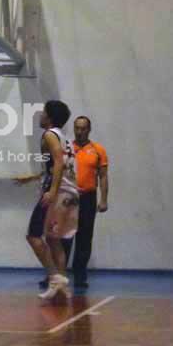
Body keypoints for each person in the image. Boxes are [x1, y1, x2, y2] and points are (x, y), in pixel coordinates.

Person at [15, 100, 79, 301]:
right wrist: (33, 177)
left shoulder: (49, 135)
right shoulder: (64, 137)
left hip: (58, 193)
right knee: (53, 239)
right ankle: (62, 286)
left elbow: (59, 163)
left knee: (33, 236)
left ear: (49, 117)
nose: (40, 115)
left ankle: (54, 277)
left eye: (43, 112)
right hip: (70, 192)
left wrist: (52, 191)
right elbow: (57, 166)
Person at [64, 116, 109, 289]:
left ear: (89, 130)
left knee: (84, 237)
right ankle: (57, 275)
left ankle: (80, 275)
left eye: (83, 128)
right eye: (77, 128)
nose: (79, 131)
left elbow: (103, 176)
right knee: (64, 237)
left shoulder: (98, 150)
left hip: (88, 198)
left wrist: (103, 199)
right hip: (69, 197)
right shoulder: (66, 148)